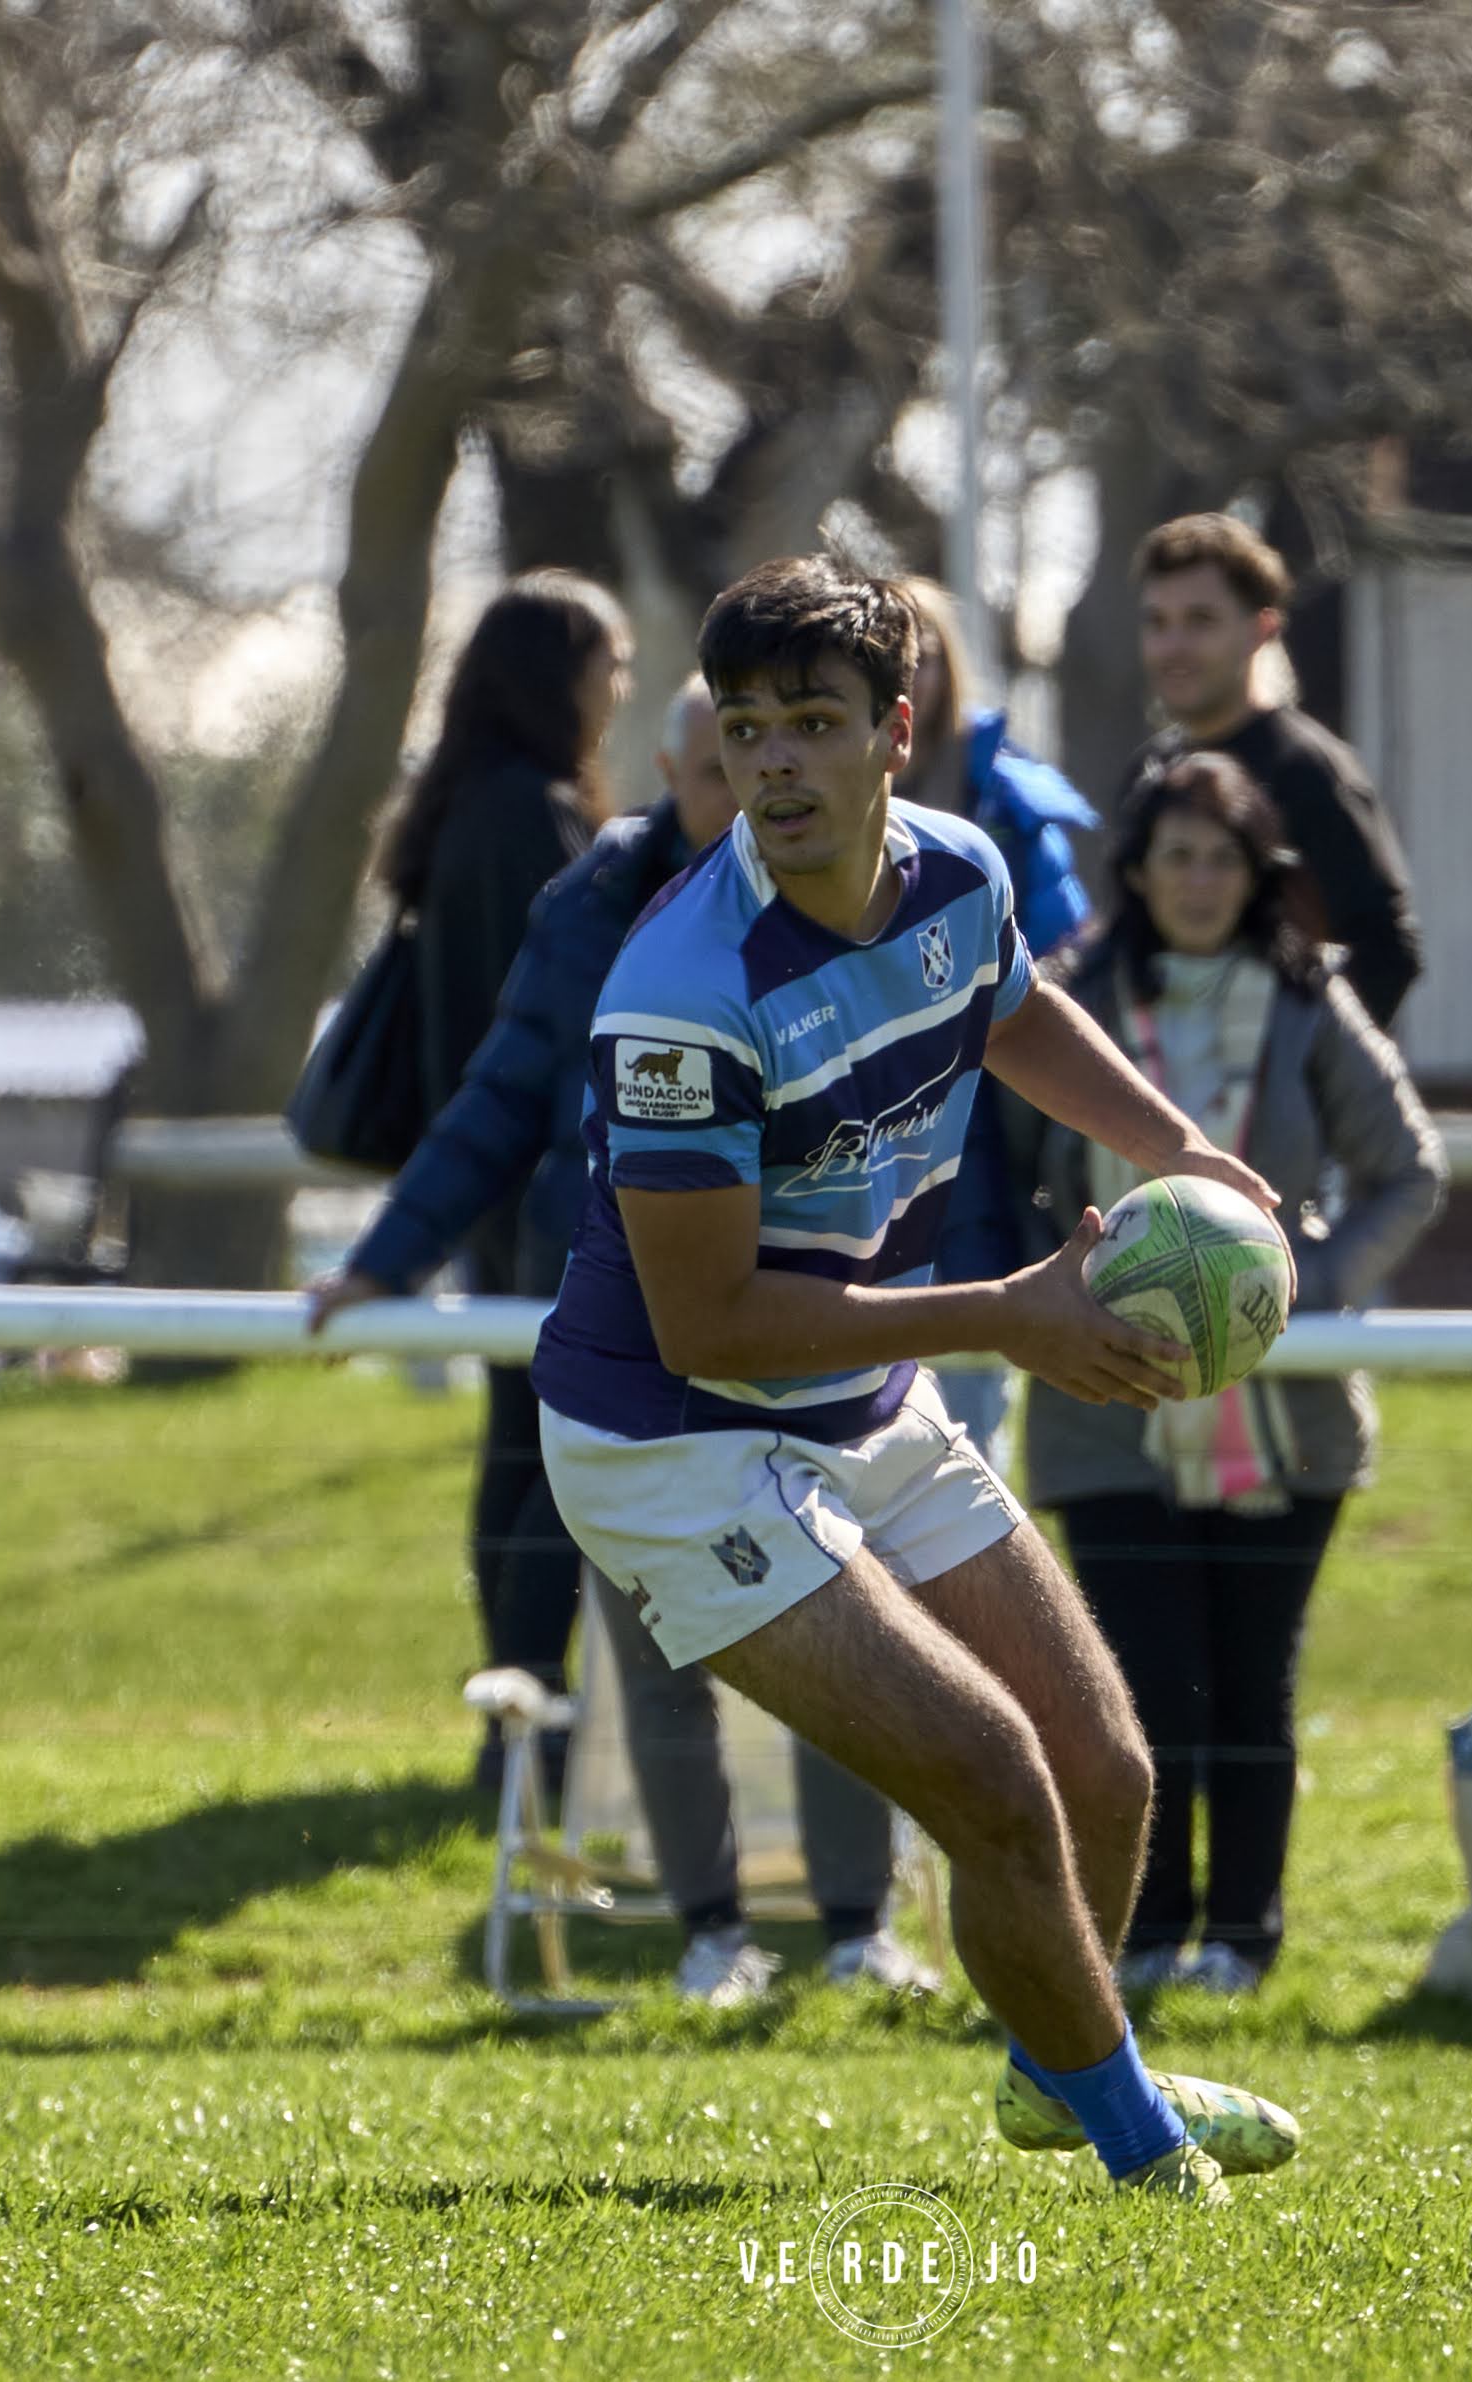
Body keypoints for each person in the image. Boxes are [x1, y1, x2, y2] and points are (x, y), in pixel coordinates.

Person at [530, 555, 1298, 2199]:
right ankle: (1141, 2145)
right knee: (991, 1776)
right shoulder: (679, 995)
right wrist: (1008, 1313)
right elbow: (711, 1328)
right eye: (744, 733)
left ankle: (1054, 2070)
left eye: (812, 724)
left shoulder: (954, 871)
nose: (774, 766)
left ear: (897, 731)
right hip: (674, 1441)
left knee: (1102, 1769)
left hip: (853, 1392)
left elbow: (1006, 1009)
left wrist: (1176, 1149)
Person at [310, 680, 935, 2000]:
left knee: (850, 1644)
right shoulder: (595, 908)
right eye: (718, 766)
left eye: (779, 752)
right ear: (667, 775)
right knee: (656, 1650)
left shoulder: (869, 893)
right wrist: (383, 1258)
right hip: (630, 1339)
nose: (751, 790)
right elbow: (500, 1092)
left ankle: (858, 1933)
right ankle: (711, 1934)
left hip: (812, 1328)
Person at [1012, 751, 1444, 1995]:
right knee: (1141, 1693)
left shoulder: (1311, 1003)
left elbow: (1408, 1171)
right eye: (1178, 854)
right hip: (1104, 1404)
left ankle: (1243, 1943)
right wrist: (1047, 1292)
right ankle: (1146, 1938)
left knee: (1253, 1689)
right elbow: (994, 1176)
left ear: (1262, 873)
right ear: (1136, 870)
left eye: (1226, 856)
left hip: (1290, 1421)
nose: (1200, 880)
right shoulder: (1062, 998)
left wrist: (1298, 1286)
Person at [368, 571, 634, 1799]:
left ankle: (517, 1710)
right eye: (609, 662)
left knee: (514, 1444)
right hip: (540, 1183)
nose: (620, 688)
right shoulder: (529, 820)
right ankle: (527, 1714)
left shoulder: (461, 810)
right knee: (545, 1456)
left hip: (490, 1183)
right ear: (560, 676)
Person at [893, 576, 1101, 1464]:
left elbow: (1057, 971)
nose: (916, 670)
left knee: (966, 1430)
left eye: (929, 650)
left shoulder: (1007, 807)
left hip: (987, 1138)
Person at [1120, 513, 1423, 1028]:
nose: (1173, 647)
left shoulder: (1308, 770)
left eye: (1200, 621)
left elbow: (1388, 950)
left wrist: (1298, 1069)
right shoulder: (1149, 774)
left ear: (1261, 629)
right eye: (1157, 622)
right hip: (1166, 1091)